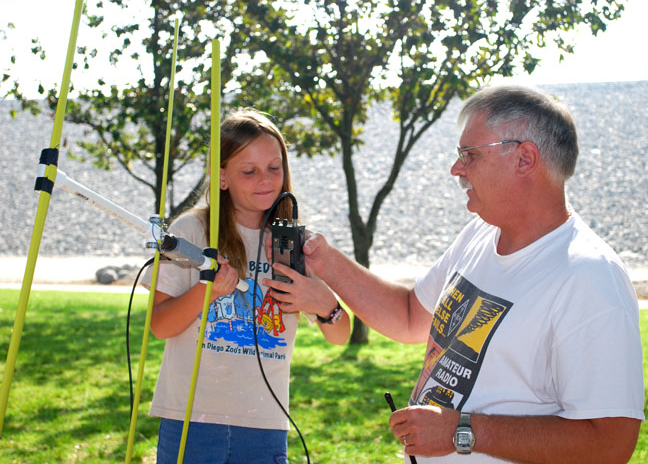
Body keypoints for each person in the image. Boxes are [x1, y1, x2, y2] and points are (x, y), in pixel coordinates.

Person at [295, 85, 644, 463]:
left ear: (525, 159)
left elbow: (611, 443)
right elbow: (410, 317)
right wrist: (321, 258)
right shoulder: (480, 233)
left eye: (470, 155)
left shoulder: (591, 277)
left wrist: (462, 431)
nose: (456, 169)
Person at [142, 108, 350, 463]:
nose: (265, 180)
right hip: (189, 419)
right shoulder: (191, 230)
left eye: (274, 167)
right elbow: (160, 325)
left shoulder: (296, 243)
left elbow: (340, 335)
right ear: (221, 177)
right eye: (249, 171)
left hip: (264, 425)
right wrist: (206, 291)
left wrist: (324, 303)